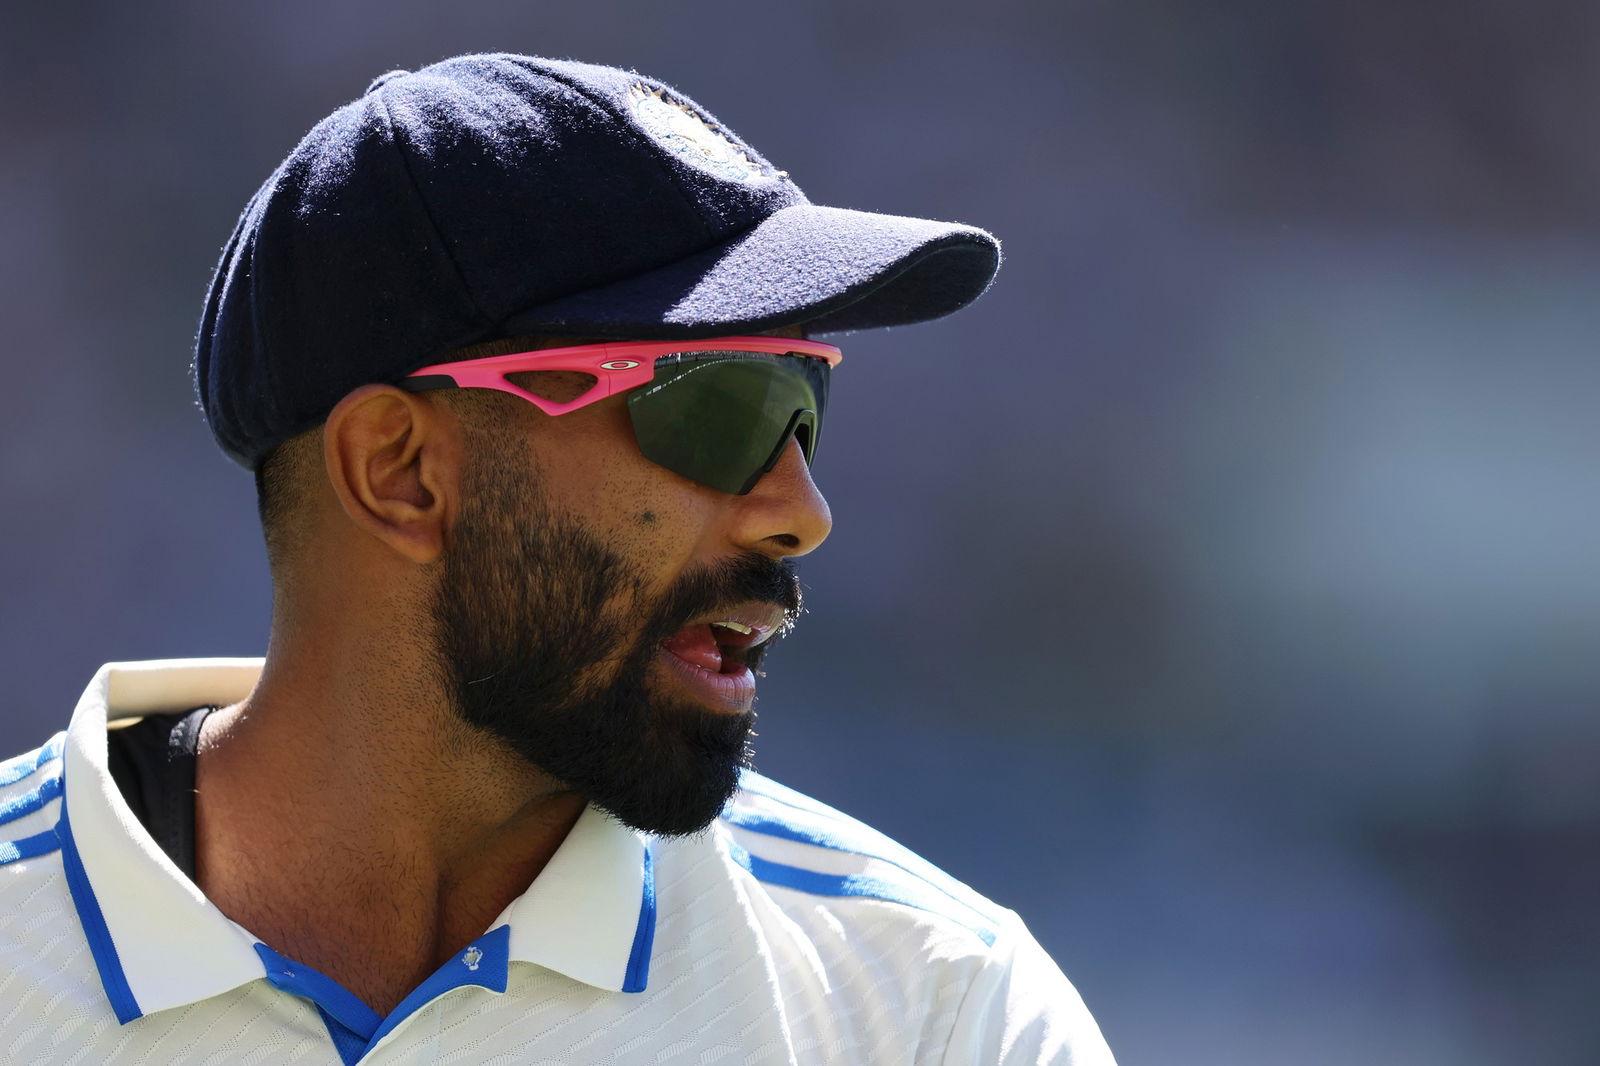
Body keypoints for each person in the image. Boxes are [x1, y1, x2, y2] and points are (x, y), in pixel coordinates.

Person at [0, 54, 1114, 1065]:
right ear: (401, 471)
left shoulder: (940, 1014)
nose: (800, 510)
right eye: (722, 407)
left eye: (805, 399)